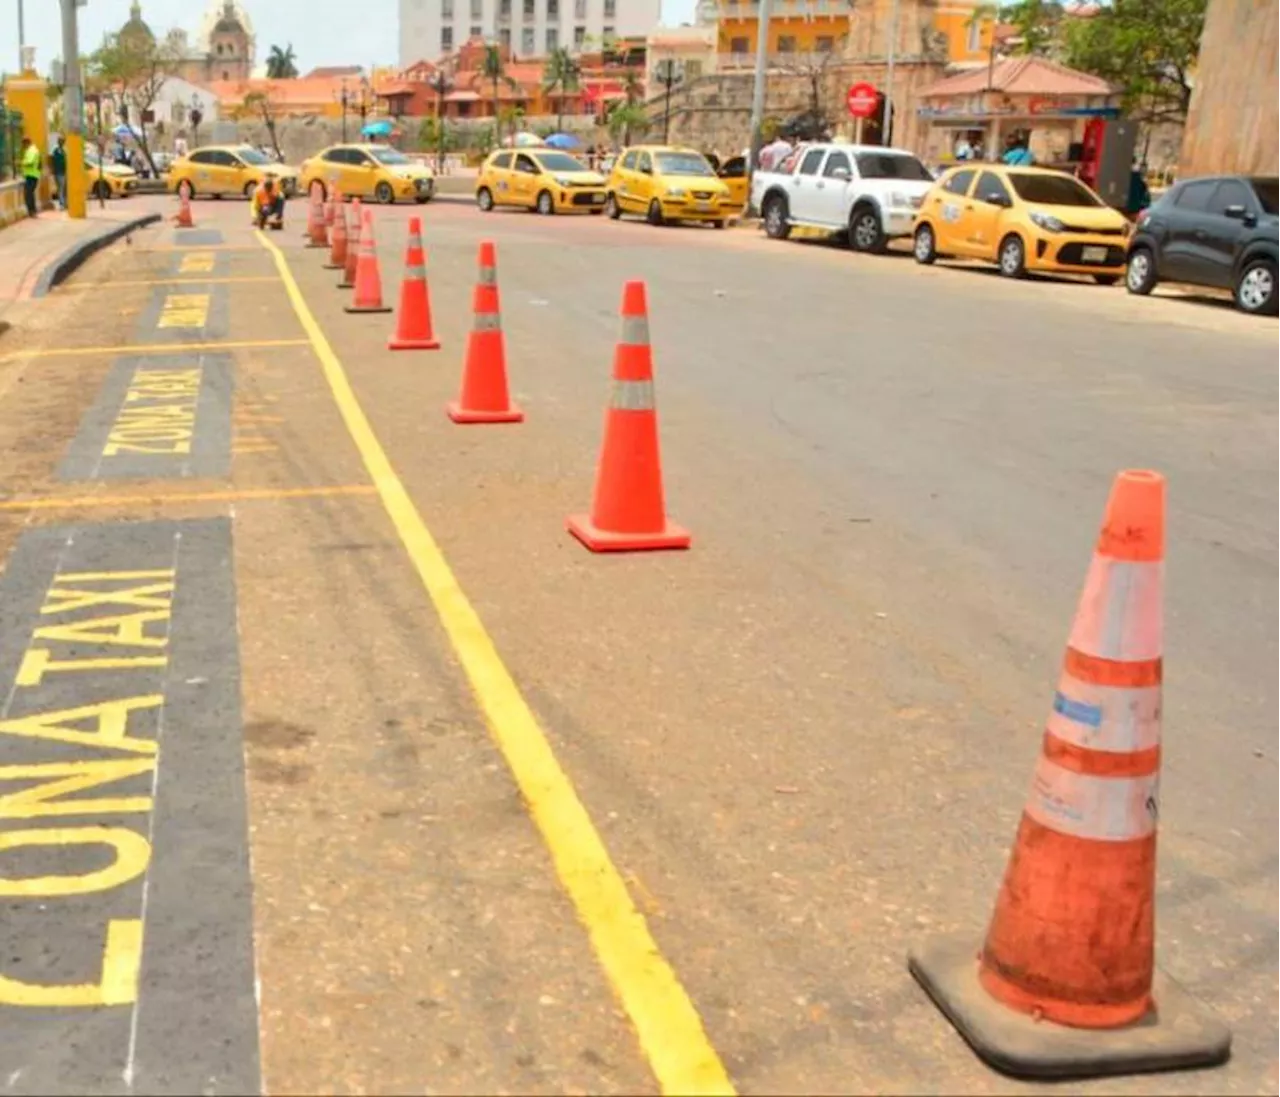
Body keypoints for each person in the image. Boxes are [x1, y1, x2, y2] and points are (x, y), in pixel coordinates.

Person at [20, 137, 42, 218]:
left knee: (28, 194)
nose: (23, 146)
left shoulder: (32, 150)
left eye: (23, 144)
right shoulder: (32, 150)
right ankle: (32, 211)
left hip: (31, 175)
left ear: (26, 143)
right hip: (32, 175)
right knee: (30, 194)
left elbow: (30, 161)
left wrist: (21, 163)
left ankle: (32, 211)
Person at [50, 135, 67, 210]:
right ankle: (62, 204)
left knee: (63, 188)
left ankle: (64, 203)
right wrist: (52, 170)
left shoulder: (64, 150)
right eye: (60, 141)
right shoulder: (55, 150)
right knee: (60, 188)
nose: (61, 142)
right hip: (58, 172)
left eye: (62, 141)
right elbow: (52, 160)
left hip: (64, 172)